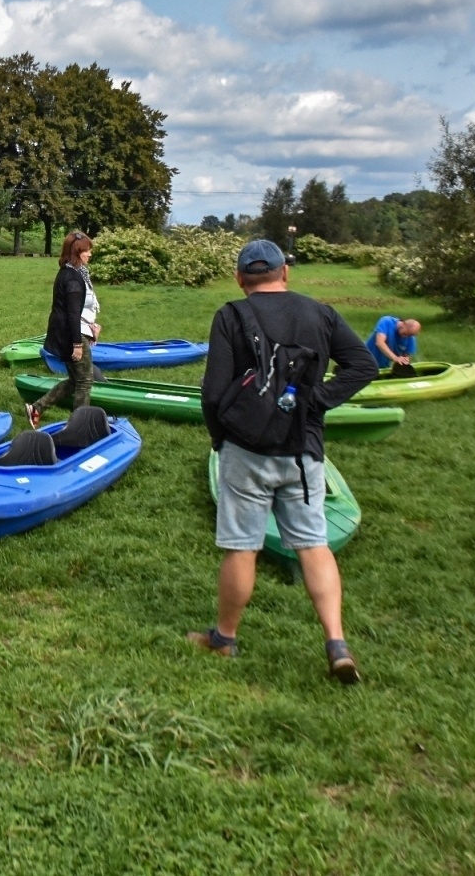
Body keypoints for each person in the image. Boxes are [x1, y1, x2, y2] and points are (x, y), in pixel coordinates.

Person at [192, 239, 378, 683]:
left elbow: (213, 393)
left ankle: (224, 638)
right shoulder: (321, 313)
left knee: (242, 546)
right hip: (303, 450)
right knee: (314, 544)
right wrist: (317, 402)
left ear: (240, 279)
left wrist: (220, 440)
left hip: (245, 448)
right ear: (285, 273)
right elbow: (363, 366)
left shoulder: (231, 315)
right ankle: (336, 641)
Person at [25, 230, 100, 428]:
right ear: (77, 251)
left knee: (76, 380)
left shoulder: (70, 272)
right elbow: (72, 315)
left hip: (70, 332)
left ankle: (37, 407)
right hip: (73, 335)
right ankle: (79, 425)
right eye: (87, 250)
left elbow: (75, 308)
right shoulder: (74, 279)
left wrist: (92, 324)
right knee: (84, 380)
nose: (90, 253)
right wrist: (77, 344)